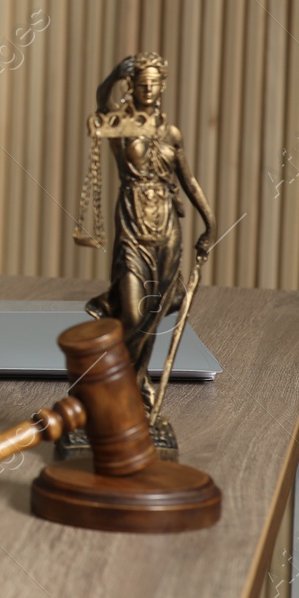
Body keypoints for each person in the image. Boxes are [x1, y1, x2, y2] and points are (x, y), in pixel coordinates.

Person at [80, 52, 214, 409]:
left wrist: (210, 223)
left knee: (153, 311)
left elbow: (189, 181)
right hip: (132, 225)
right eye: (142, 84)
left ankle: (136, 383)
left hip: (167, 228)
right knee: (133, 315)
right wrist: (112, 74)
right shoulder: (121, 128)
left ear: (163, 87)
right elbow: (102, 101)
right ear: (132, 88)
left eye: (154, 84)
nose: (149, 90)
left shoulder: (171, 133)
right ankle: (105, 381)